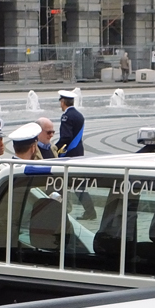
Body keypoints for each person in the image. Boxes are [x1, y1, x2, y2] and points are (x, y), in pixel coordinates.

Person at [57, 89, 94, 219]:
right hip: (78, 151)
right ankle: (90, 211)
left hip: (70, 154)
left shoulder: (66, 116)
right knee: (79, 185)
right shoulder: (79, 115)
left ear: (63, 102)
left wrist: (55, 148)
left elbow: (66, 137)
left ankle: (60, 210)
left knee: (62, 182)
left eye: (60, 101)